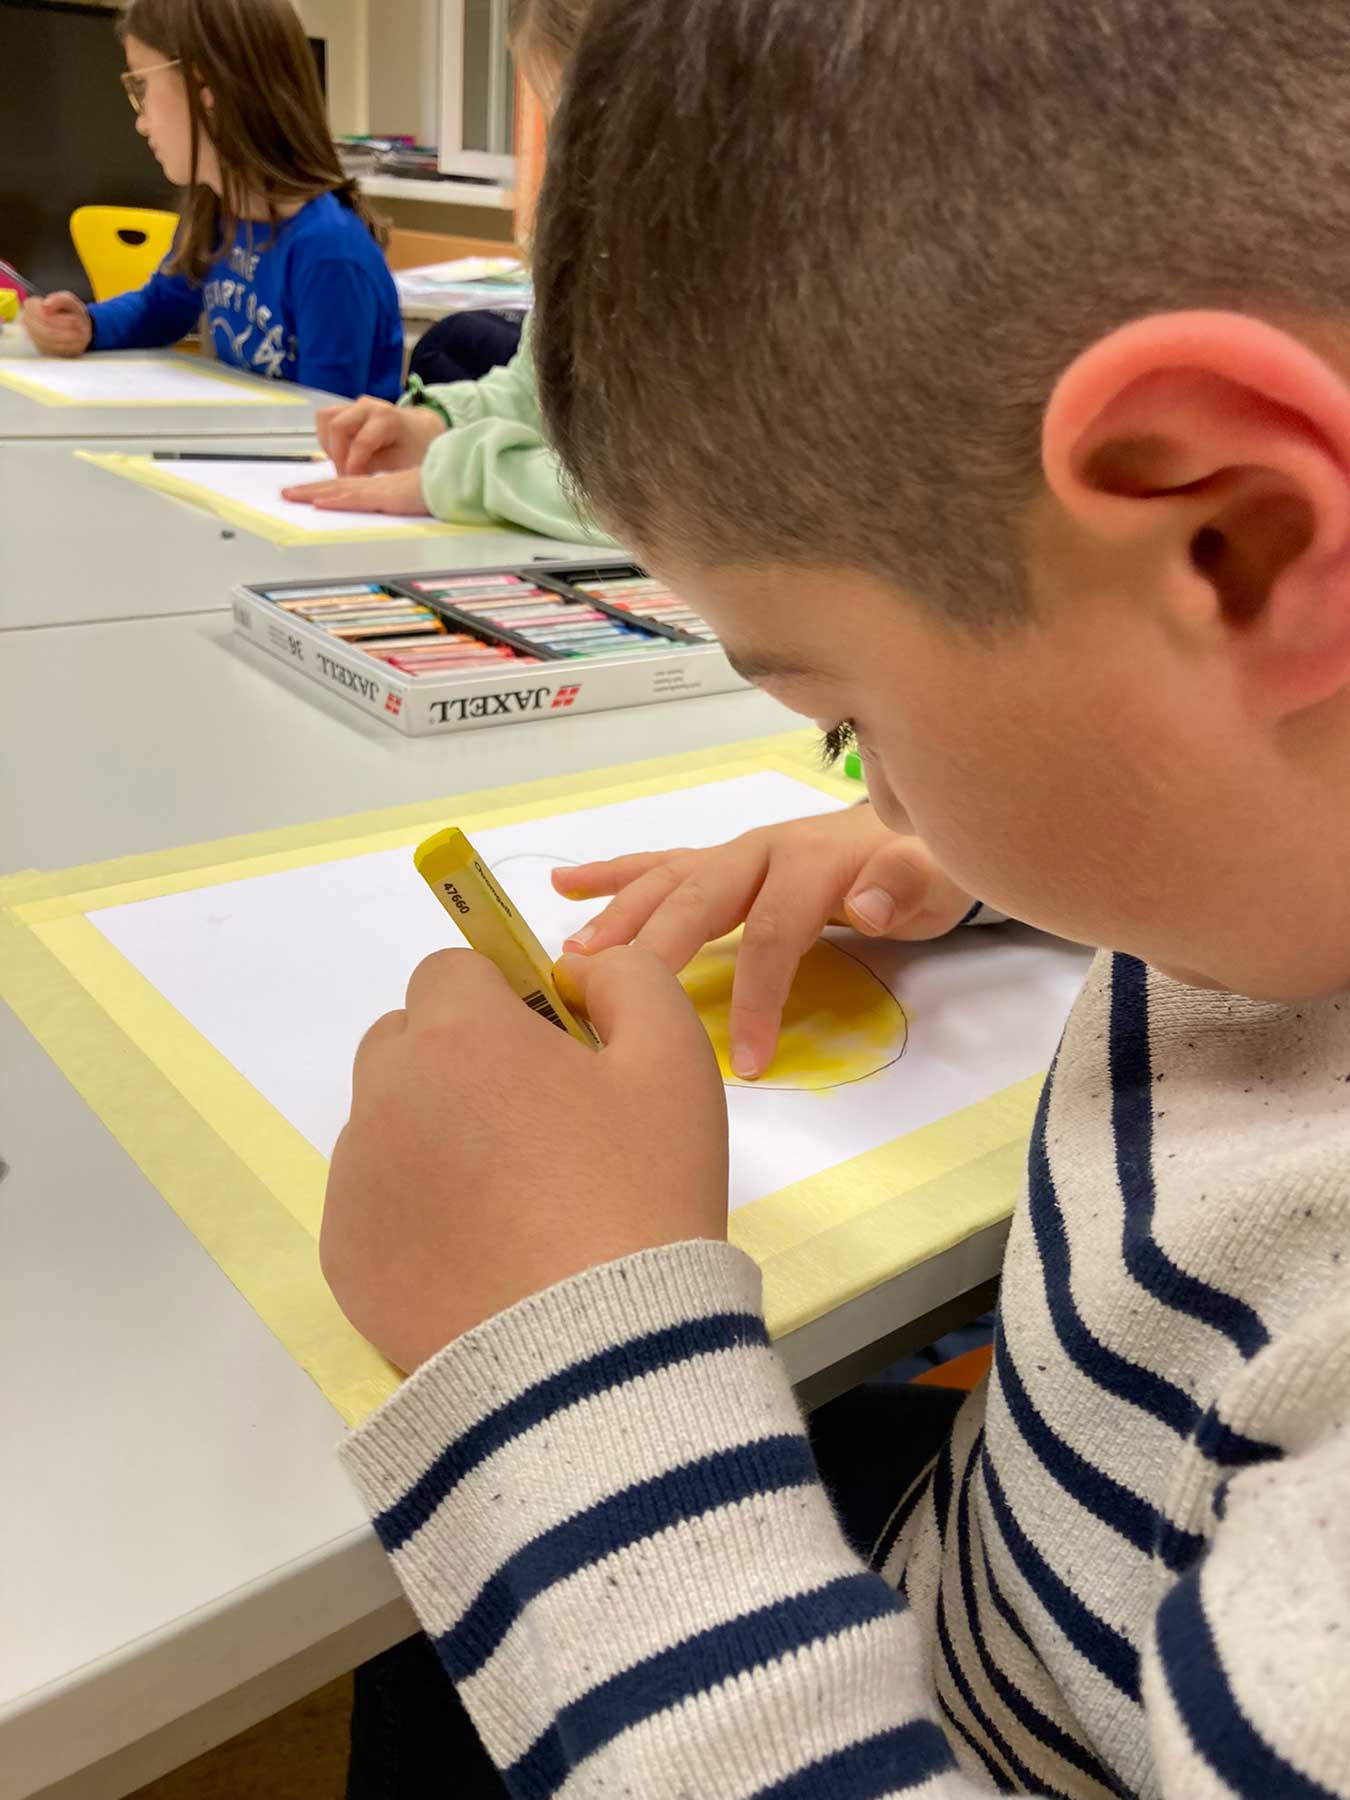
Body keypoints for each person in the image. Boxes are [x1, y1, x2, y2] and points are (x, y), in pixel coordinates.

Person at [321, 1, 1350, 1795]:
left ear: (1234, 542)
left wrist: (555, 1349)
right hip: (1003, 1571)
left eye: (850, 724)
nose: (864, 786)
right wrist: (978, 854)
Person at [279, 0, 610, 543]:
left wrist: (461, 477)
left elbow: (682, 500)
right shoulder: (590, 231)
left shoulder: (727, 269)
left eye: (587, 119)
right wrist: (433, 427)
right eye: (559, 121)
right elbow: (536, 394)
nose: (569, 155)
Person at [22, 0, 402, 402]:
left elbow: (324, 421)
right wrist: (88, 325)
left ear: (204, 85)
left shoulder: (328, 251)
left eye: (142, 86)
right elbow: (160, 310)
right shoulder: (216, 214)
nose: (140, 121)